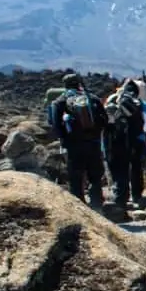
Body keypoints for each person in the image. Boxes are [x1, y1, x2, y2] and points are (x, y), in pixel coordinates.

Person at [49, 73, 108, 206]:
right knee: (95, 177)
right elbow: (105, 120)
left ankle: (80, 208)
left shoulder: (60, 101)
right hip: (93, 144)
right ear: (79, 83)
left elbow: (55, 124)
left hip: (73, 146)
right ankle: (97, 205)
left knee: (76, 177)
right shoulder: (92, 98)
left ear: (65, 85)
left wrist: (64, 140)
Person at [103, 79, 146, 207]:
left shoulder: (112, 100)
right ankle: (137, 196)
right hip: (136, 142)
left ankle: (120, 199)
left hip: (115, 142)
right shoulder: (141, 104)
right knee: (137, 168)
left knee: (120, 171)